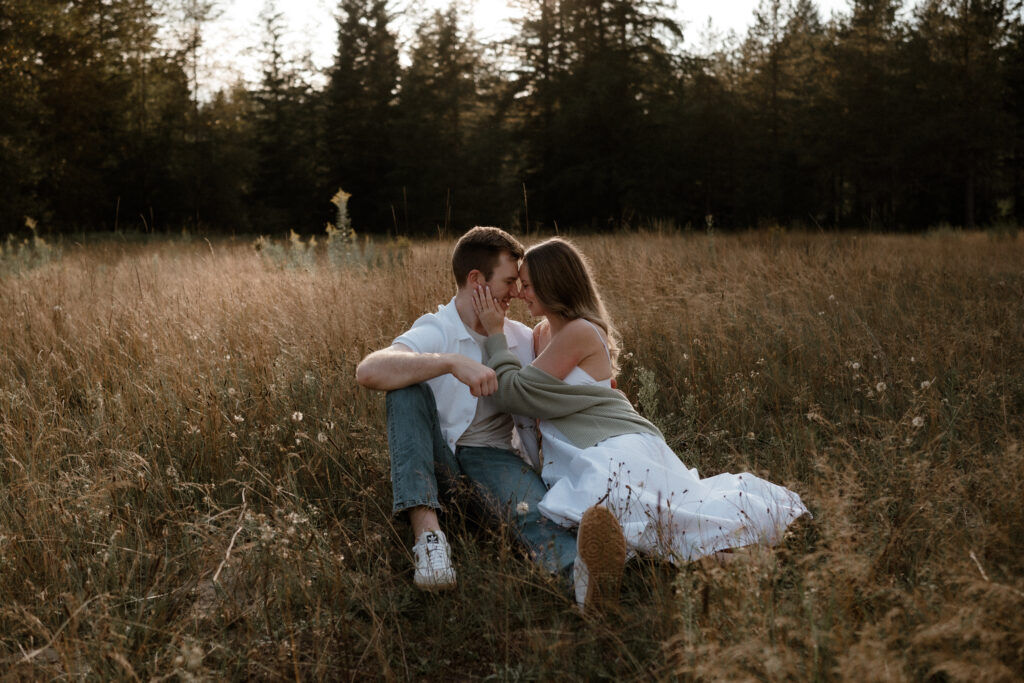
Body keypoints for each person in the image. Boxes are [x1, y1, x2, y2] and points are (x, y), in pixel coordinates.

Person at [471, 237, 809, 566]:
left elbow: (513, 394)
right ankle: (731, 561)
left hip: (614, 445)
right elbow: (537, 393)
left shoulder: (579, 332)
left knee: (647, 514)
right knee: (639, 524)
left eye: (527, 285)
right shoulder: (542, 334)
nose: (517, 293)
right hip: (583, 450)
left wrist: (494, 333)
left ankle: (744, 552)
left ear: (552, 285)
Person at [355, 227, 625, 610]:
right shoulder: (439, 328)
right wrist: (449, 363)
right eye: (510, 281)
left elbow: (569, 381)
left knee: (531, 512)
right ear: (476, 280)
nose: (517, 293)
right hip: (437, 462)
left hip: (493, 457)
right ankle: (430, 543)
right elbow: (369, 370)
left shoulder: (522, 337)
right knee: (404, 387)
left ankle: (585, 583)